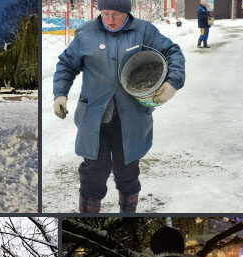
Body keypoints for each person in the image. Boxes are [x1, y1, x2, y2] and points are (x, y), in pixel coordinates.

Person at [53, 0, 185, 214]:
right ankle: (89, 216)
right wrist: (60, 94)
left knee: (127, 170)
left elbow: (173, 52)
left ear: (127, 12)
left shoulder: (144, 31)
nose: (110, 20)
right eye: (105, 14)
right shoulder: (86, 34)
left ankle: (127, 216)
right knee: (93, 170)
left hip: (131, 116)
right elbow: (67, 64)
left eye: (115, 14)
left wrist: (172, 83)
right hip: (94, 116)